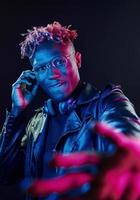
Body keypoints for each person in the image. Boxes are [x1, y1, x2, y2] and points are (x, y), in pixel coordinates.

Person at [0, 21, 140, 200]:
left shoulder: (107, 103)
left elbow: (127, 133)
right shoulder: (36, 122)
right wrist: (16, 112)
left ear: (78, 60)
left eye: (59, 61)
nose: (52, 74)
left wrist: (131, 156)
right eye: (42, 68)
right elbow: (5, 174)